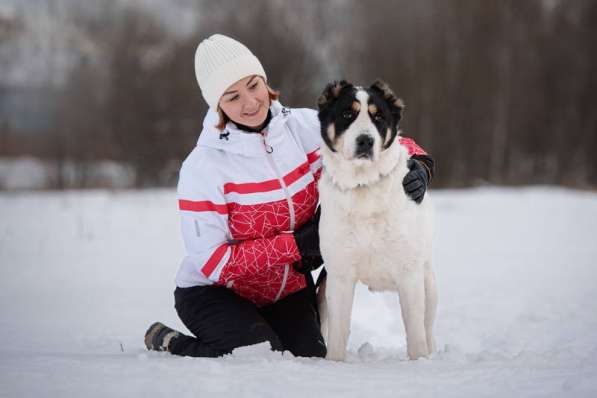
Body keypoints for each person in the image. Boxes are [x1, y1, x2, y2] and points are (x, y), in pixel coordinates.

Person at [144, 34, 435, 358]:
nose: (250, 102)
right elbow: (213, 262)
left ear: (265, 81)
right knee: (257, 354)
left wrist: (420, 164)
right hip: (214, 292)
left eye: (253, 86)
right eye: (232, 96)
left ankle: (263, 326)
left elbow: (373, 142)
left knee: (309, 355)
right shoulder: (203, 167)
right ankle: (170, 341)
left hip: (285, 289)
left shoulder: (305, 127)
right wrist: (296, 245)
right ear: (217, 105)